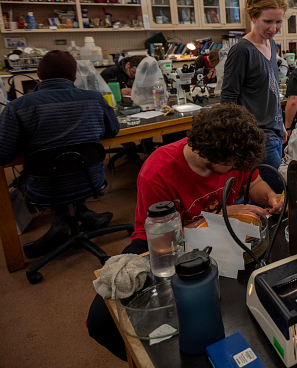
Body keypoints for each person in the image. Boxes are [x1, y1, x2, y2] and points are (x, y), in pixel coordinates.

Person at [87, 103, 284, 361]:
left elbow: (253, 181)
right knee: (101, 321)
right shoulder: (158, 171)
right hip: (159, 244)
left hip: (218, 233)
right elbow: (165, 236)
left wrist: (269, 195)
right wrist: (224, 214)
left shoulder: (233, 155)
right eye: (232, 165)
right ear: (208, 156)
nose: (237, 168)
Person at [0, 50, 119, 258]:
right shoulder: (95, 99)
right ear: (74, 76)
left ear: (39, 75)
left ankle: (64, 220)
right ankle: (80, 214)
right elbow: (112, 130)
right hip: (91, 179)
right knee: (69, 170)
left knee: (48, 174)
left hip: (43, 188)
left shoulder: (18, 107)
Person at [221, 0, 288, 193]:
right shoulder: (242, 50)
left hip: (275, 131)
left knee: (279, 193)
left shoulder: (272, 44)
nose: (273, 28)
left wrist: (281, 123)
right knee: (280, 191)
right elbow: (229, 97)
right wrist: (236, 136)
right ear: (253, 17)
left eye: (278, 22)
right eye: (267, 21)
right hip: (257, 135)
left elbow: (272, 89)